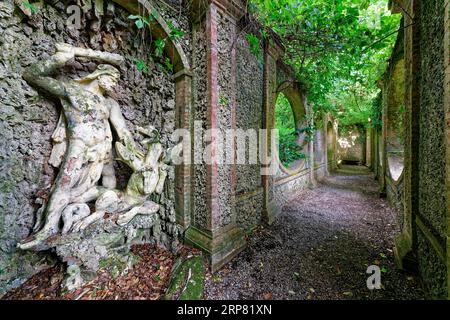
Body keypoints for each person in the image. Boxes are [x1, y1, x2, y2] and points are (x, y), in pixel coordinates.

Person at [19, 43, 138, 250]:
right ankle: (48, 228)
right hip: (80, 147)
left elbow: (123, 130)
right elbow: (32, 76)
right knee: (64, 184)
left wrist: (136, 152)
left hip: (103, 150)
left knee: (108, 184)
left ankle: (100, 214)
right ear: (99, 75)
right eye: (112, 79)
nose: (114, 85)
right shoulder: (73, 91)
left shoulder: (109, 104)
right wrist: (59, 59)